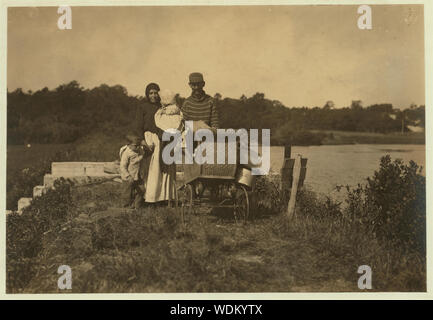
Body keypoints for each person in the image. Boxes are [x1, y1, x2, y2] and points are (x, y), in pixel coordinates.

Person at [119, 134, 145, 209]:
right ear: (129, 145)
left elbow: (143, 156)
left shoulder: (140, 150)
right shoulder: (127, 153)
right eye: (135, 146)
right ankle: (126, 207)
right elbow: (122, 166)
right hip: (129, 177)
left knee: (141, 190)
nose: (137, 147)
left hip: (138, 175)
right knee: (127, 192)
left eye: (138, 145)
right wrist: (128, 176)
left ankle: (137, 206)